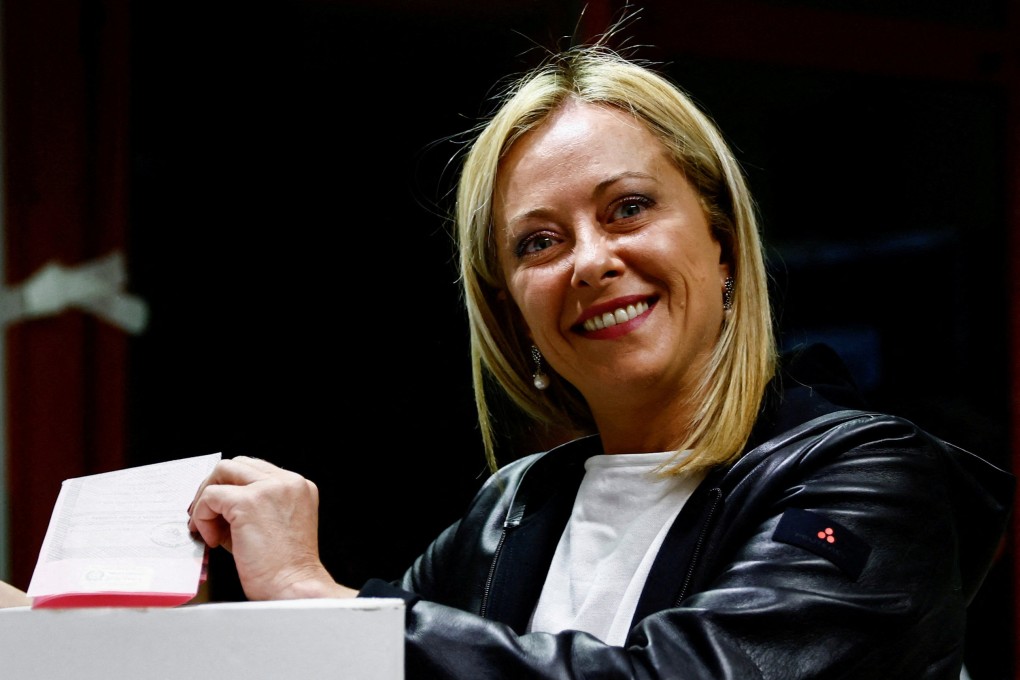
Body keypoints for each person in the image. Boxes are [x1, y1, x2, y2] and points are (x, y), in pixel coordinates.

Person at [11, 34, 1012, 679]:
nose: (590, 260)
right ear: (513, 310)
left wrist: (311, 602)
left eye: (628, 207)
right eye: (538, 241)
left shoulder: (870, 475)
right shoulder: (517, 505)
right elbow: (364, 660)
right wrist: (64, 633)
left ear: (720, 241)